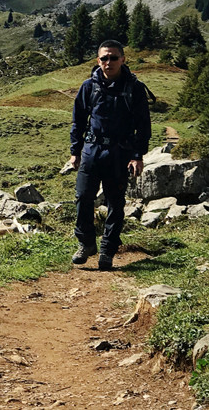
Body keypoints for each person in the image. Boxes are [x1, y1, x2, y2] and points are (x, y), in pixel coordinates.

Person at [69, 39, 152, 270]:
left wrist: (137, 156)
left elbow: (143, 126)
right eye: (104, 58)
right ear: (98, 61)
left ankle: (108, 250)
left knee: (116, 203)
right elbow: (78, 120)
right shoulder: (89, 86)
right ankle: (86, 244)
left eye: (113, 57)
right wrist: (75, 151)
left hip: (120, 153)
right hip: (92, 151)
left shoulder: (134, 88)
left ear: (123, 60)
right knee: (83, 197)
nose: (108, 62)